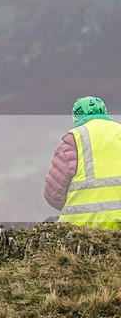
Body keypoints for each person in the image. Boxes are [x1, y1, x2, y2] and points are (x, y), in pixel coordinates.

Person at [44, 96, 121, 229]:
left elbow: (53, 194)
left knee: (48, 223)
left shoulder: (74, 139)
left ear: (77, 117)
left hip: (82, 224)